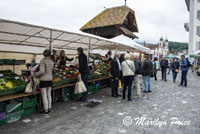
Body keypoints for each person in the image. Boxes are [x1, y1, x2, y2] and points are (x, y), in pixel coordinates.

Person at [35, 50, 54, 115]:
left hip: (44, 79)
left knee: (44, 95)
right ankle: (49, 108)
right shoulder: (51, 61)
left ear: (43, 54)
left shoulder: (42, 61)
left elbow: (42, 71)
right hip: (50, 79)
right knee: (49, 94)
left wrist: (35, 74)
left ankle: (46, 110)